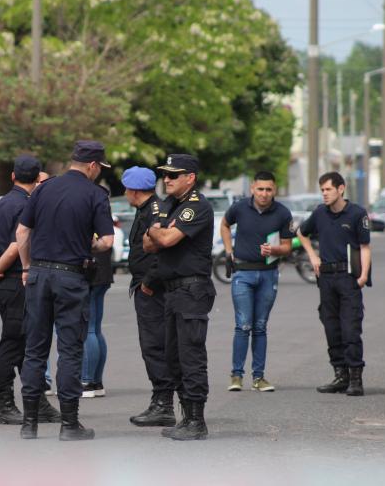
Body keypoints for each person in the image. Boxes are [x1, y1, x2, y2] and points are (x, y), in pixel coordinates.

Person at [16, 141, 115, 441]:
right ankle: (69, 424)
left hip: (38, 274)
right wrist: (88, 245)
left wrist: (26, 266)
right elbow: (107, 242)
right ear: (94, 166)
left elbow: (22, 231)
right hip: (71, 277)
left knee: (35, 349)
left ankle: (29, 423)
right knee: (70, 349)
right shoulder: (95, 194)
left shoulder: (43, 188)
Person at [0, 156, 61, 425]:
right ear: (38, 179)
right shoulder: (28, 205)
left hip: (5, 281)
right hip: (18, 280)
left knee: (26, 345)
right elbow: (17, 245)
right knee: (14, 343)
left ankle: (37, 401)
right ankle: (5, 405)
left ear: (12, 176)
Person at [144, 154, 215, 441]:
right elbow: (148, 246)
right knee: (173, 357)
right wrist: (157, 232)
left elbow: (166, 240)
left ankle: (197, 420)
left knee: (191, 355)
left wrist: (155, 229)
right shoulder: (173, 206)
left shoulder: (196, 207)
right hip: (173, 291)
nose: (167, 179)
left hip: (191, 290)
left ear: (191, 178)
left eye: (174, 175)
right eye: (165, 174)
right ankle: (186, 417)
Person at [297, 172, 371, 397]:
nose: (325, 194)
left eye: (328, 189)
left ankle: (355, 378)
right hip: (326, 279)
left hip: (348, 277)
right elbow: (302, 232)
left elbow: (365, 246)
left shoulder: (357, 214)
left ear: (341, 189)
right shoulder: (320, 213)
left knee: (350, 328)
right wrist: (312, 256)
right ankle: (340, 376)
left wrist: (364, 275)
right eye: (322, 190)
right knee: (332, 328)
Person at [219, 171, 294, 393]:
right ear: (252, 188)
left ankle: (259, 377)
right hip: (243, 273)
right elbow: (224, 224)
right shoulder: (240, 208)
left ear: (275, 190)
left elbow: (288, 247)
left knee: (260, 327)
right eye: (260, 189)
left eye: (268, 189)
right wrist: (229, 251)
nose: (264, 194)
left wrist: (275, 249)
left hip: (268, 274)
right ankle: (236, 375)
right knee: (243, 325)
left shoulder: (282, 213)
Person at [121, 166, 177, 428]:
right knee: (153, 344)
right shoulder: (148, 209)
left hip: (153, 289)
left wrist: (148, 282)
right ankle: (161, 400)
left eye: (126, 189)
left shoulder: (156, 212)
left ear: (133, 191)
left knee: (154, 345)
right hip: (147, 286)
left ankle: (163, 404)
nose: (125, 193)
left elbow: (160, 253)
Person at [81, 186, 114, 398]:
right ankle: (96, 381)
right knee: (96, 328)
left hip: (92, 273)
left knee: (89, 330)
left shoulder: (90, 207)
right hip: (103, 272)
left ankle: (87, 381)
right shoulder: (103, 209)